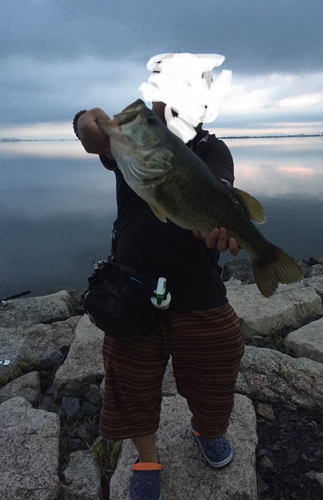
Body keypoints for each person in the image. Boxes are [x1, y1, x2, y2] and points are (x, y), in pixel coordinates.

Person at [74, 53, 244, 500]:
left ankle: (207, 430)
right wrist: (86, 121)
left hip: (197, 287)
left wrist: (224, 222)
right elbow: (90, 131)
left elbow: (221, 190)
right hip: (130, 287)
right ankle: (146, 456)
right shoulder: (136, 143)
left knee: (219, 359)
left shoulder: (212, 149)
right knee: (129, 379)